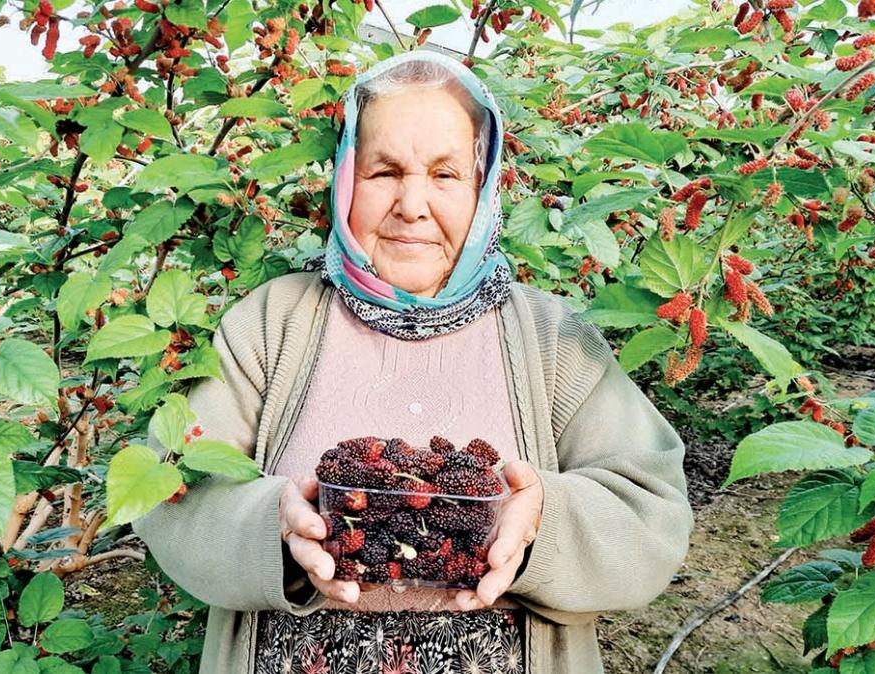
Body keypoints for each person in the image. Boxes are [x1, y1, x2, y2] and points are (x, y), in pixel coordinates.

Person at [133, 49, 694, 674]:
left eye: (446, 175)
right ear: (346, 178)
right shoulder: (269, 323)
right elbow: (171, 490)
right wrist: (275, 529)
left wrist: (541, 525)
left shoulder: (553, 338)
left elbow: (653, 514)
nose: (412, 205)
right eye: (384, 172)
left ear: (484, 189)